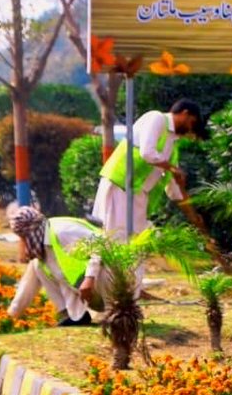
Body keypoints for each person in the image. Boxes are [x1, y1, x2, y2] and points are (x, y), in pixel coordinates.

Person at [83, 98, 207, 295]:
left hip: (139, 196)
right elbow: (148, 154)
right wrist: (171, 168)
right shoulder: (155, 119)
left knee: (139, 244)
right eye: (192, 124)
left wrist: (192, 213)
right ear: (184, 113)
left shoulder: (172, 147)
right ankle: (97, 287)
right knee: (115, 239)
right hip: (120, 185)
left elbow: (173, 190)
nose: (190, 131)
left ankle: (132, 293)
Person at [7, 206, 106, 327]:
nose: (23, 243)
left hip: (105, 287)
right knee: (37, 265)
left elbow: (101, 242)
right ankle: (69, 315)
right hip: (88, 293)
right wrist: (11, 315)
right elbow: (28, 284)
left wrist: (90, 278)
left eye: (23, 238)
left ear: (30, 232)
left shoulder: (62, 231)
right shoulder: (45, 247)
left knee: (38, 264)